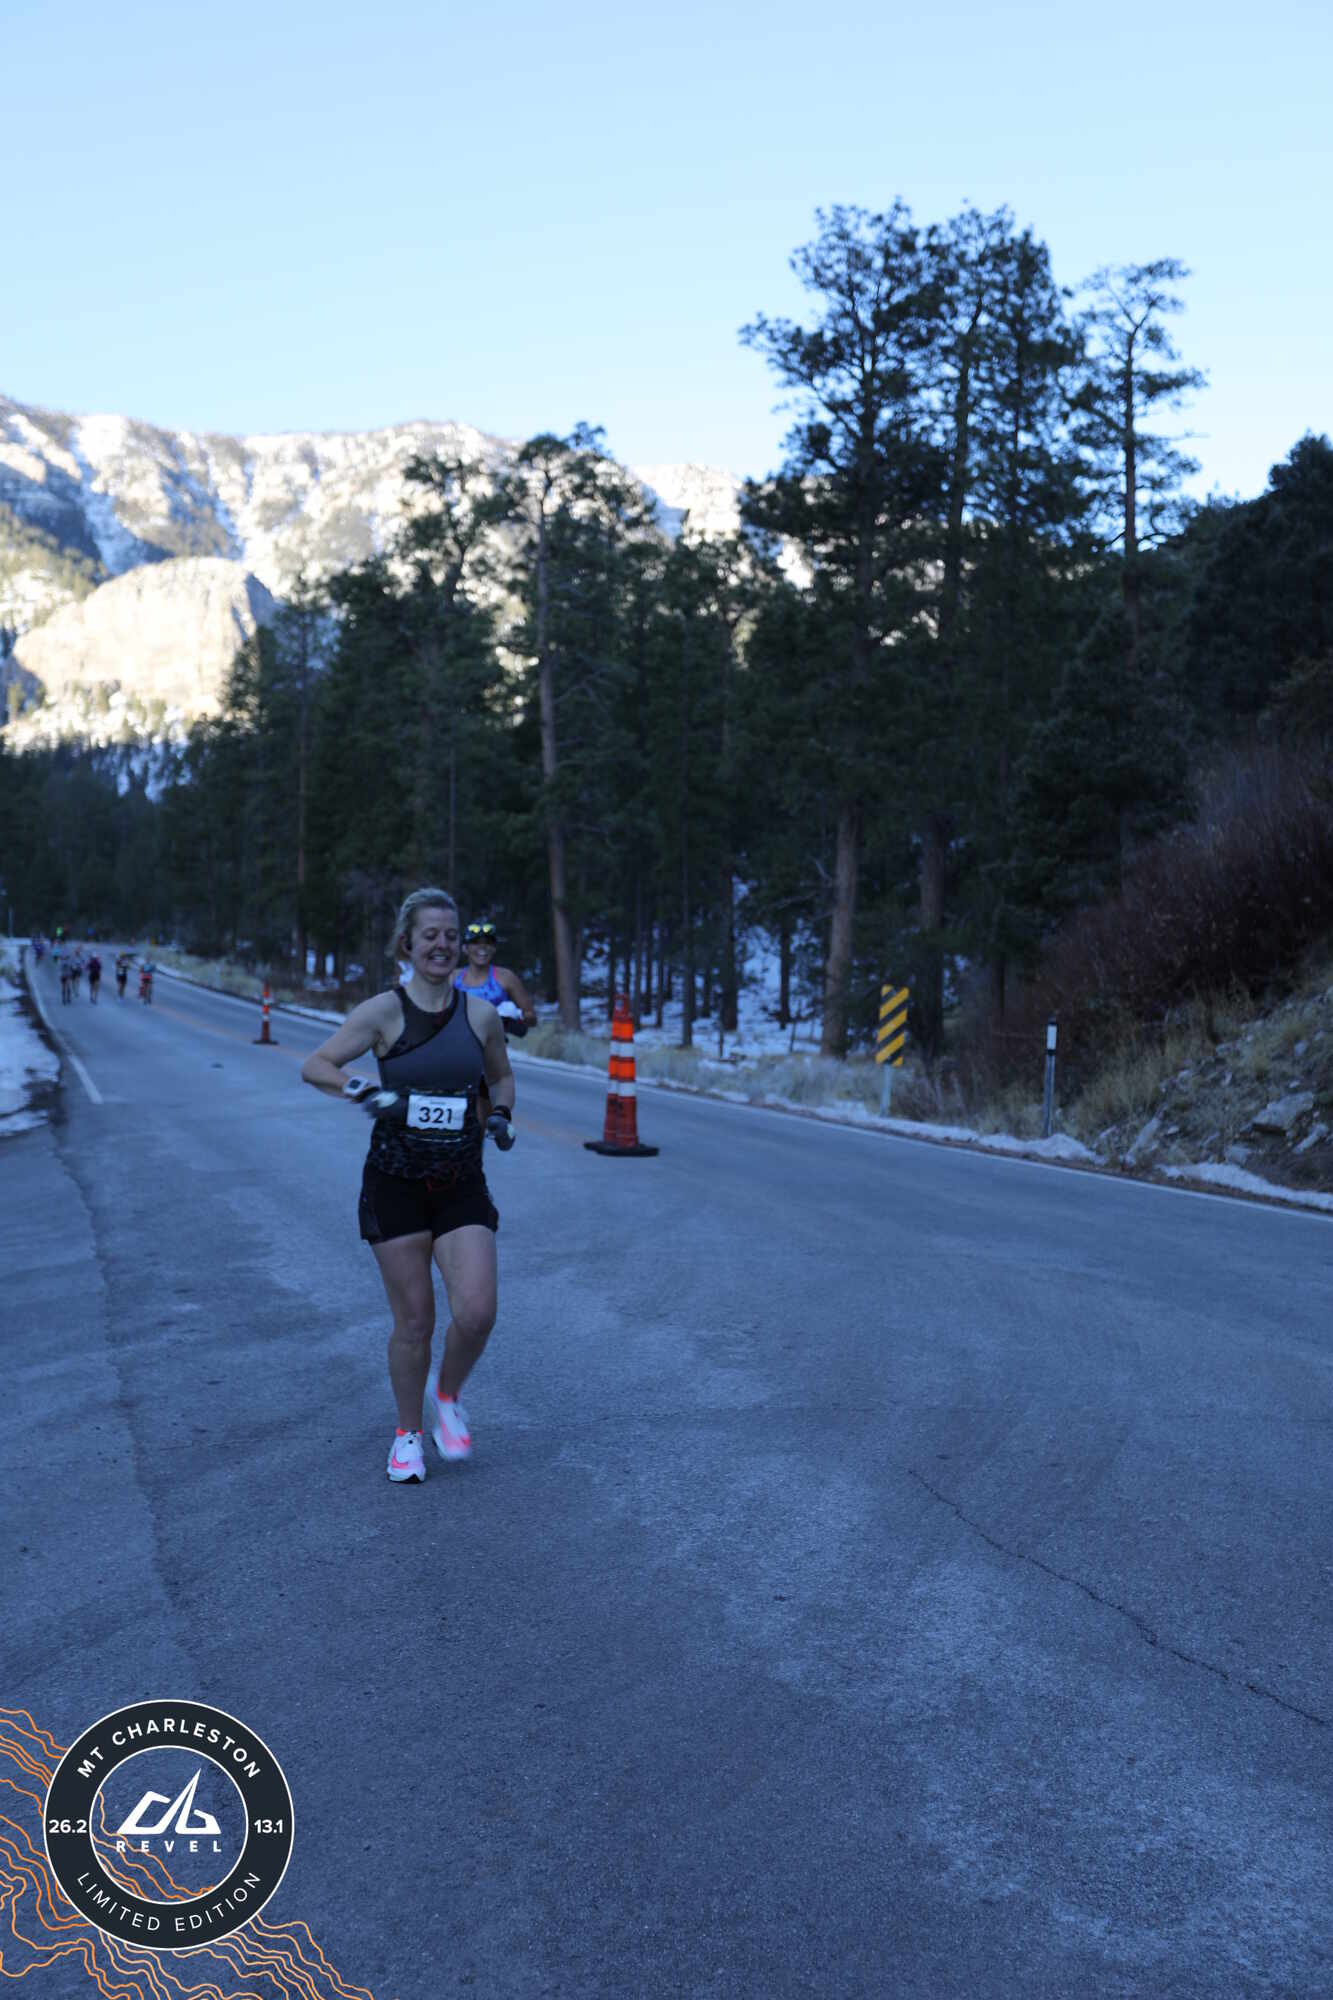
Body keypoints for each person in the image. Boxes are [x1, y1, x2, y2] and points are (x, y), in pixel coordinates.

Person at [300, 888, 517, 1484]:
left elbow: (501, 1077)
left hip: (461, 1179)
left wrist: (500, 1115)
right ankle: (407, 1436)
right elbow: (316, 1065)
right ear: (407, 944)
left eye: (450, 935)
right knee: (415, 1322)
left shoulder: (480, 1016)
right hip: (395, 1181)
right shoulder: (382, 1013)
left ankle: (447, 1395)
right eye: (430, 936)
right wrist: (365, 1091)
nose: (442, 945)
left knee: (477, 1312)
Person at [453, 919, 538, 1035]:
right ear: (465, 948)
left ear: (494, 948)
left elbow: (531, 1017)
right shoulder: (452, 978)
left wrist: (512, 1018)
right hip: (459, 1043)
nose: (482, 947)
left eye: (488, 943)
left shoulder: (506, 977)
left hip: (495, 1044)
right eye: (475, 942)